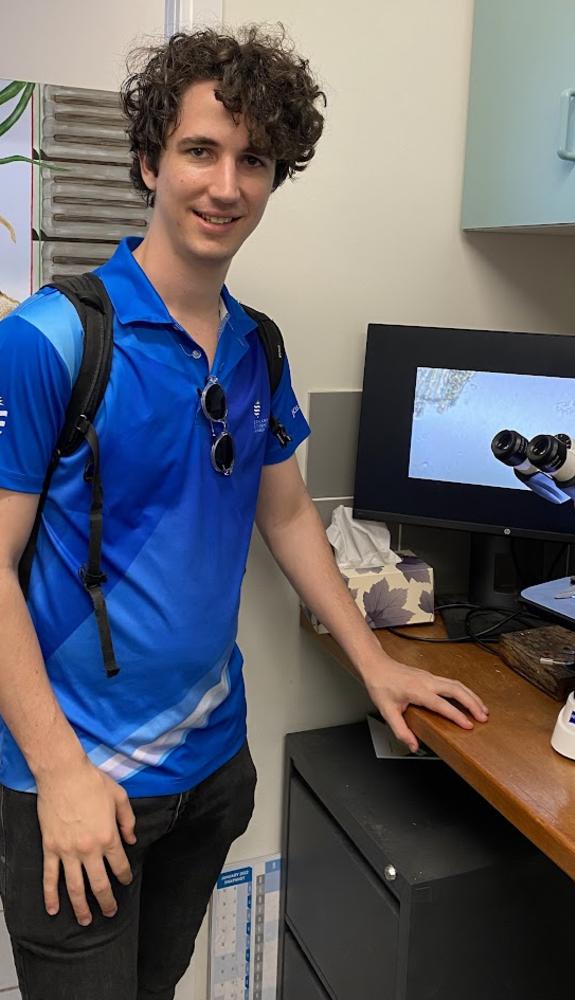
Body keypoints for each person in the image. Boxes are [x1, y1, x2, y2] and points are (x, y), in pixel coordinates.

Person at [0, 25, 489, 1000]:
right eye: (199, 150)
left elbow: (289, 516)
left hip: (212, 768)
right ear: (148, 159)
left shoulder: (257, 347)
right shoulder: (51, 339)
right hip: (78, 782)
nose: (225, 184)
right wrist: (58, 773)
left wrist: (374, 659)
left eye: (253, 160)